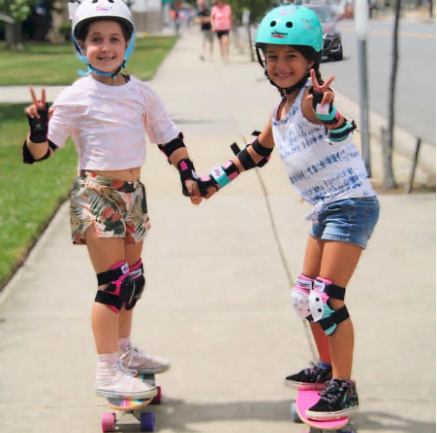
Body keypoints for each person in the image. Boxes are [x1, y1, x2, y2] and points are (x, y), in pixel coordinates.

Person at [195, 5, 379, 422]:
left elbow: (334, 123)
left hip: (350, 205)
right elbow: (256, 152)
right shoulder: (279, 111)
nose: (280, 65)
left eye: (291, 56)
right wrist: (209, 185)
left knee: (327, 299)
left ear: (312, 59)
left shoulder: (312, 101)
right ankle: (327, 368)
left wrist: (329, 112)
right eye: (273, 56)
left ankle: (344, 388)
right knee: (304, 298)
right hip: (324, 208)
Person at [23, 0, 201, 401]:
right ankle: (107, 371)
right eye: (95, 40)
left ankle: (123, 353)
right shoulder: (76, 96)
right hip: (96, 194)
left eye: (114, 39)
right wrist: (36, 132)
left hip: (132, 197)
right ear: (81, 46)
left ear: (127, 44)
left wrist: (187, 174)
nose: (105, 47)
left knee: (132, 282)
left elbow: (168, 136)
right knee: (114, 284)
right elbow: (40, 153)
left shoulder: (141, 93)